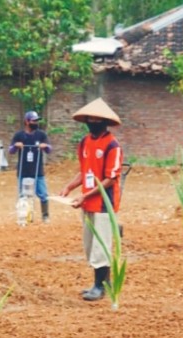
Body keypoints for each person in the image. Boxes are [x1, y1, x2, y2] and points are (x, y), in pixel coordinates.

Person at [59, 98, 123, 302]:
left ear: (104, 122)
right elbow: (85, 171)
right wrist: (70, 186)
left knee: (101, 244)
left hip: (104, 203)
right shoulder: (85, 142)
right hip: (87, 201)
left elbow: (110, 179)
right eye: (90, 119)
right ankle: (104, 282)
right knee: (89, 244)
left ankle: (99, 286)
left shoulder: (112, 145)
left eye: (97, 119)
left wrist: (84, 195)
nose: (92, 122)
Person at [9, 110, 52, 222]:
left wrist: (45, 146)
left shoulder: (41, 134)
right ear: (27, 122)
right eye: (34, 121)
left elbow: (49, 149)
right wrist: (15, 146)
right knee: (23, 195)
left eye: (37, 121)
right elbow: (11, 150)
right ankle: (26, 216)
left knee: (43, 194)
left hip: (38, 171)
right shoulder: (19, 135)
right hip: (23, 171)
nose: (36, 123)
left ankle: (45, 216)